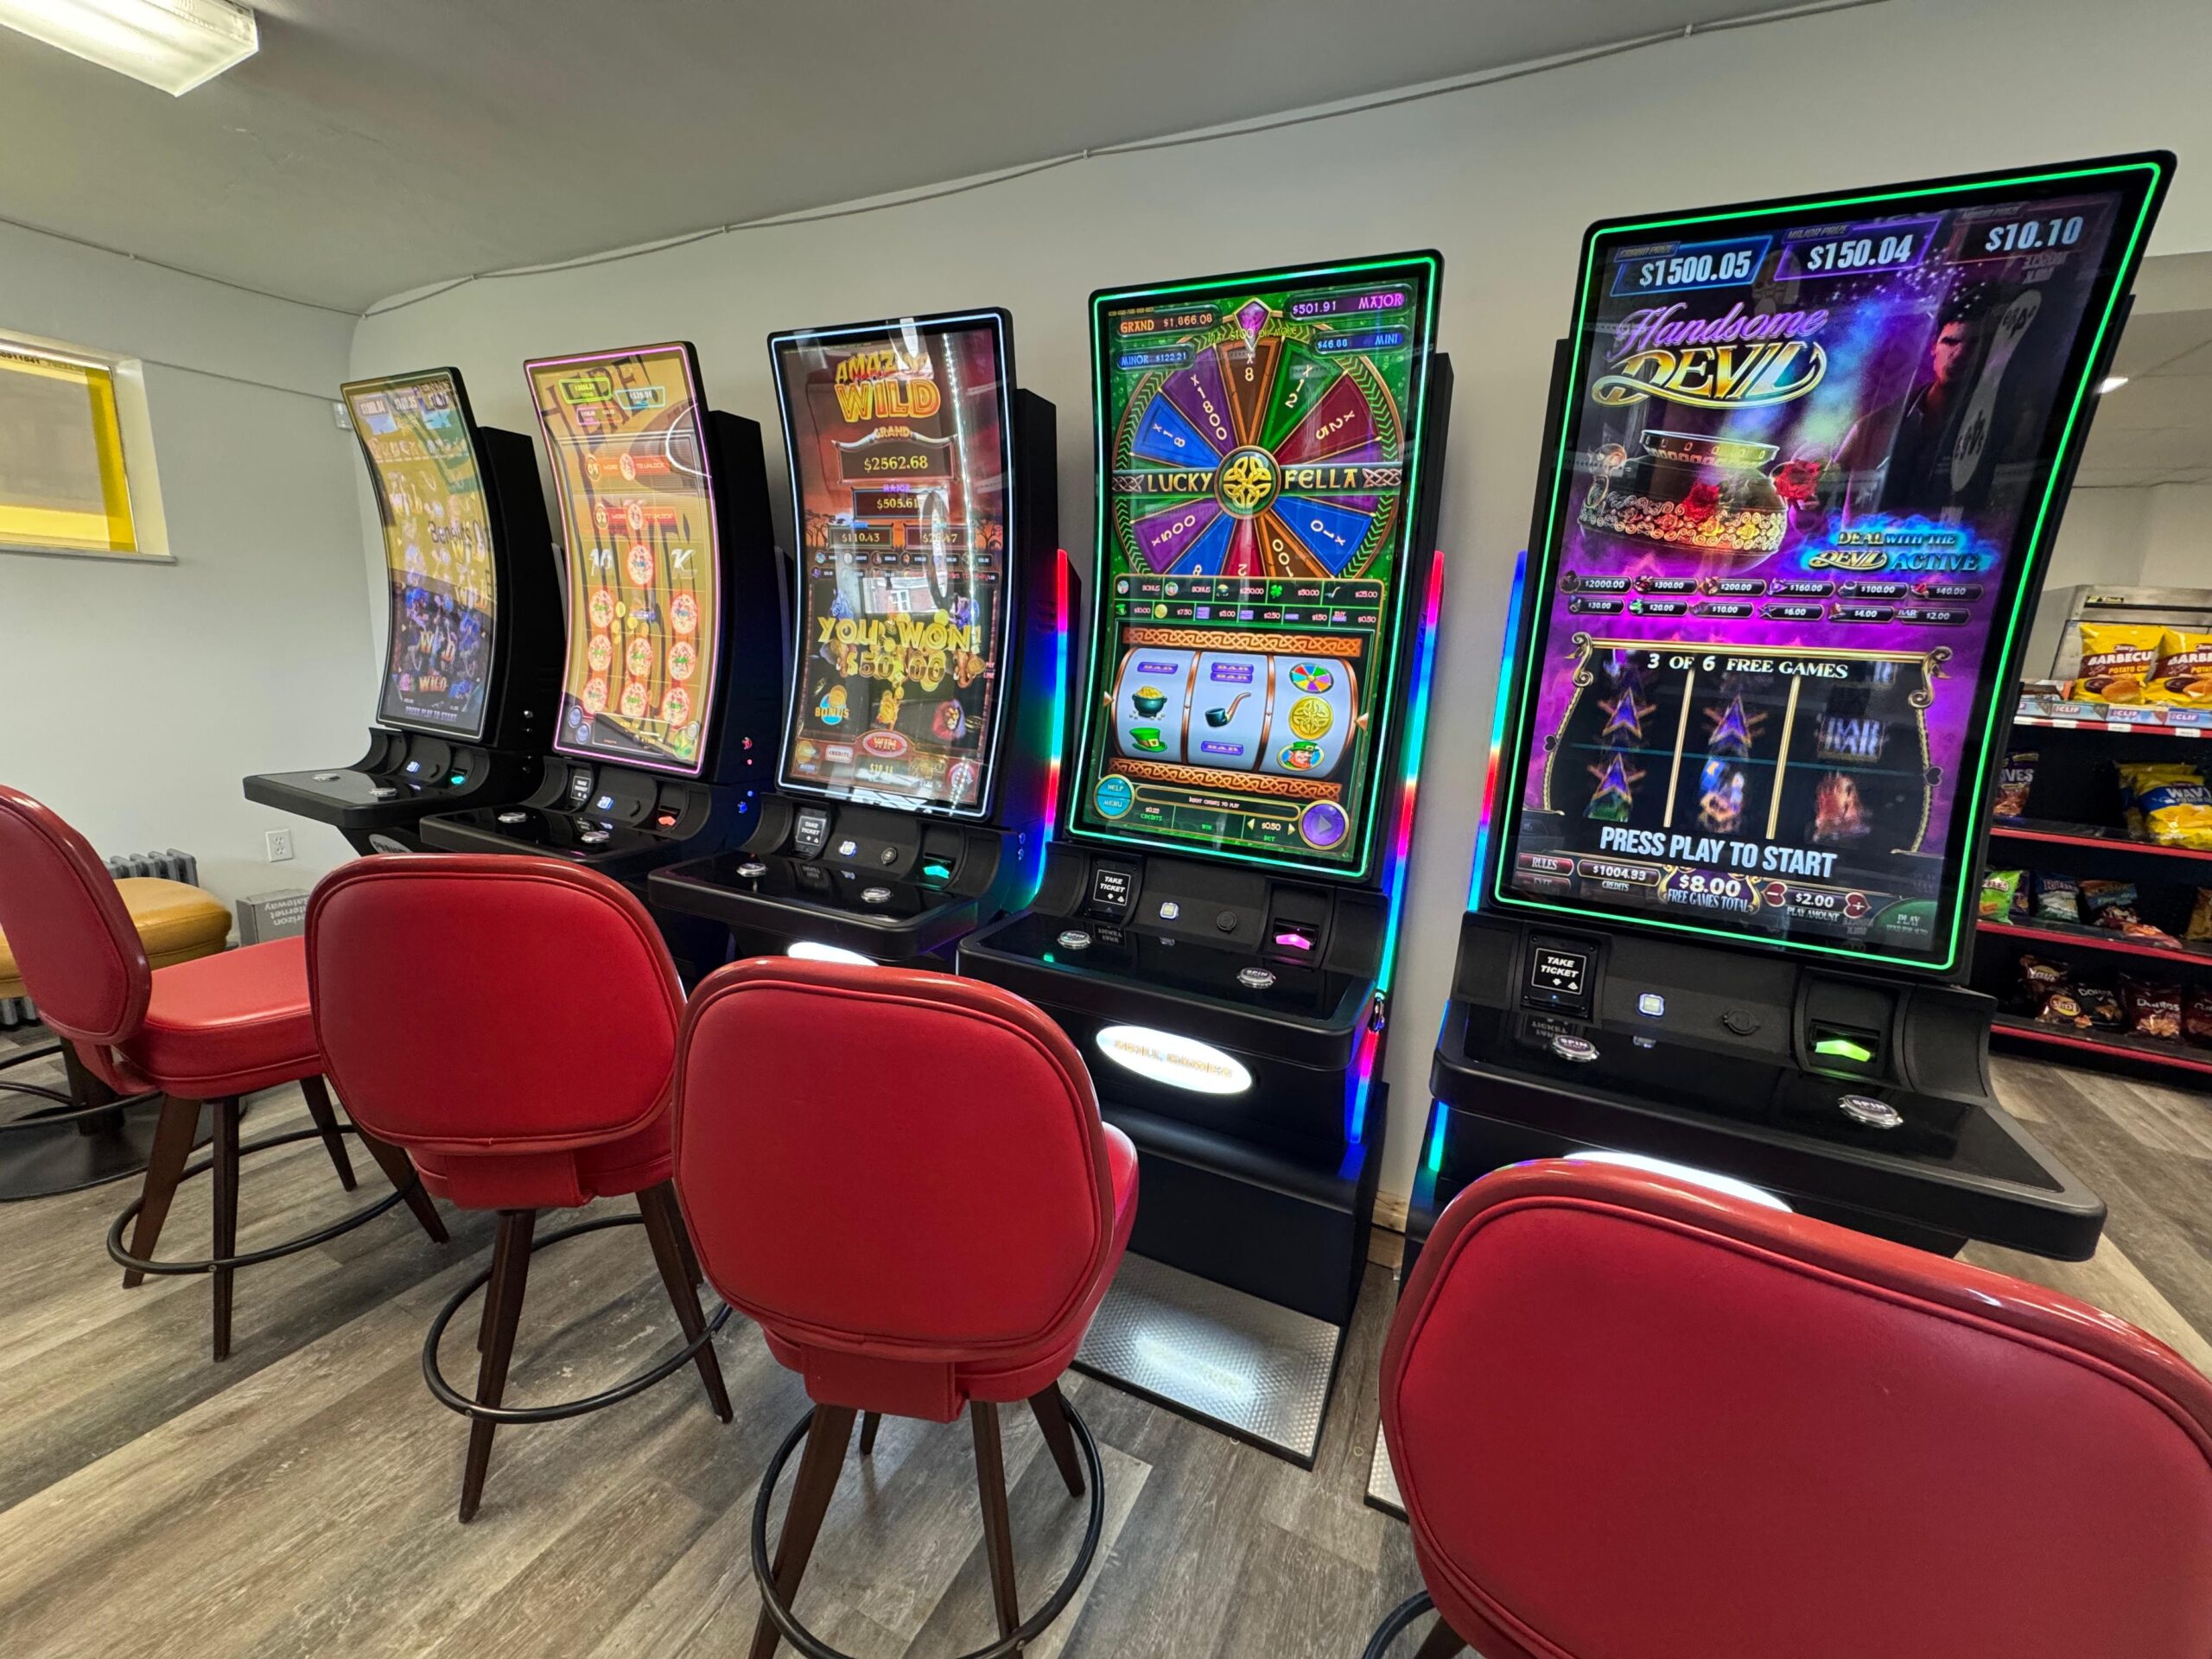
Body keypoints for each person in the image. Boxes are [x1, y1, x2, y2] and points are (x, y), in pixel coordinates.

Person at [1834, 297, 1986, 517]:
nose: (1959, 354)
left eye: (1973, 344)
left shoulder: (2003, 423)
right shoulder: (1871, 428)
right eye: (1950, 342)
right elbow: (1822, 504)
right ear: (1934, 347)